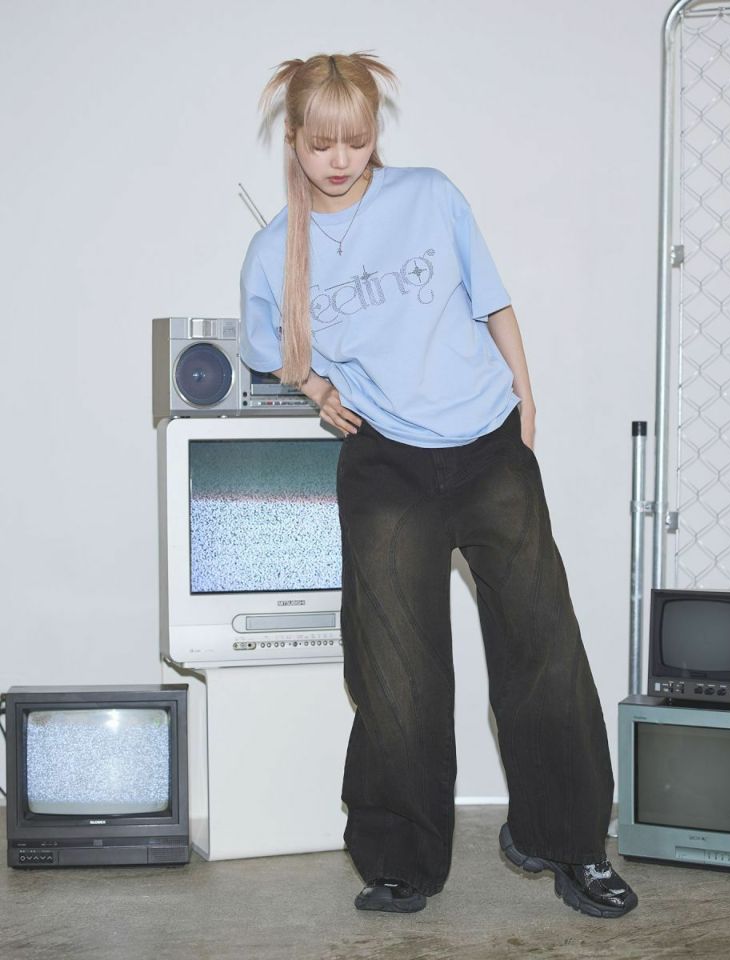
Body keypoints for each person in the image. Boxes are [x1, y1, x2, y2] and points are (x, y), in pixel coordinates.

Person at [239, 51, 638, 919]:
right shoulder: (273, 251)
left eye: (356, 140)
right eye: (322, 143)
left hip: (489, 444)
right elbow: (268, 346)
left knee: (543, 647)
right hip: (387, 465)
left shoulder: (429, 196)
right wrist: (318, 389)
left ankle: (569, 843)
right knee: (396, 669)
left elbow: (494, 302)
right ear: (294, 141)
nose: (340, 159)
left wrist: (525, 400)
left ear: (374, 133)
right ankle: (401, 862)